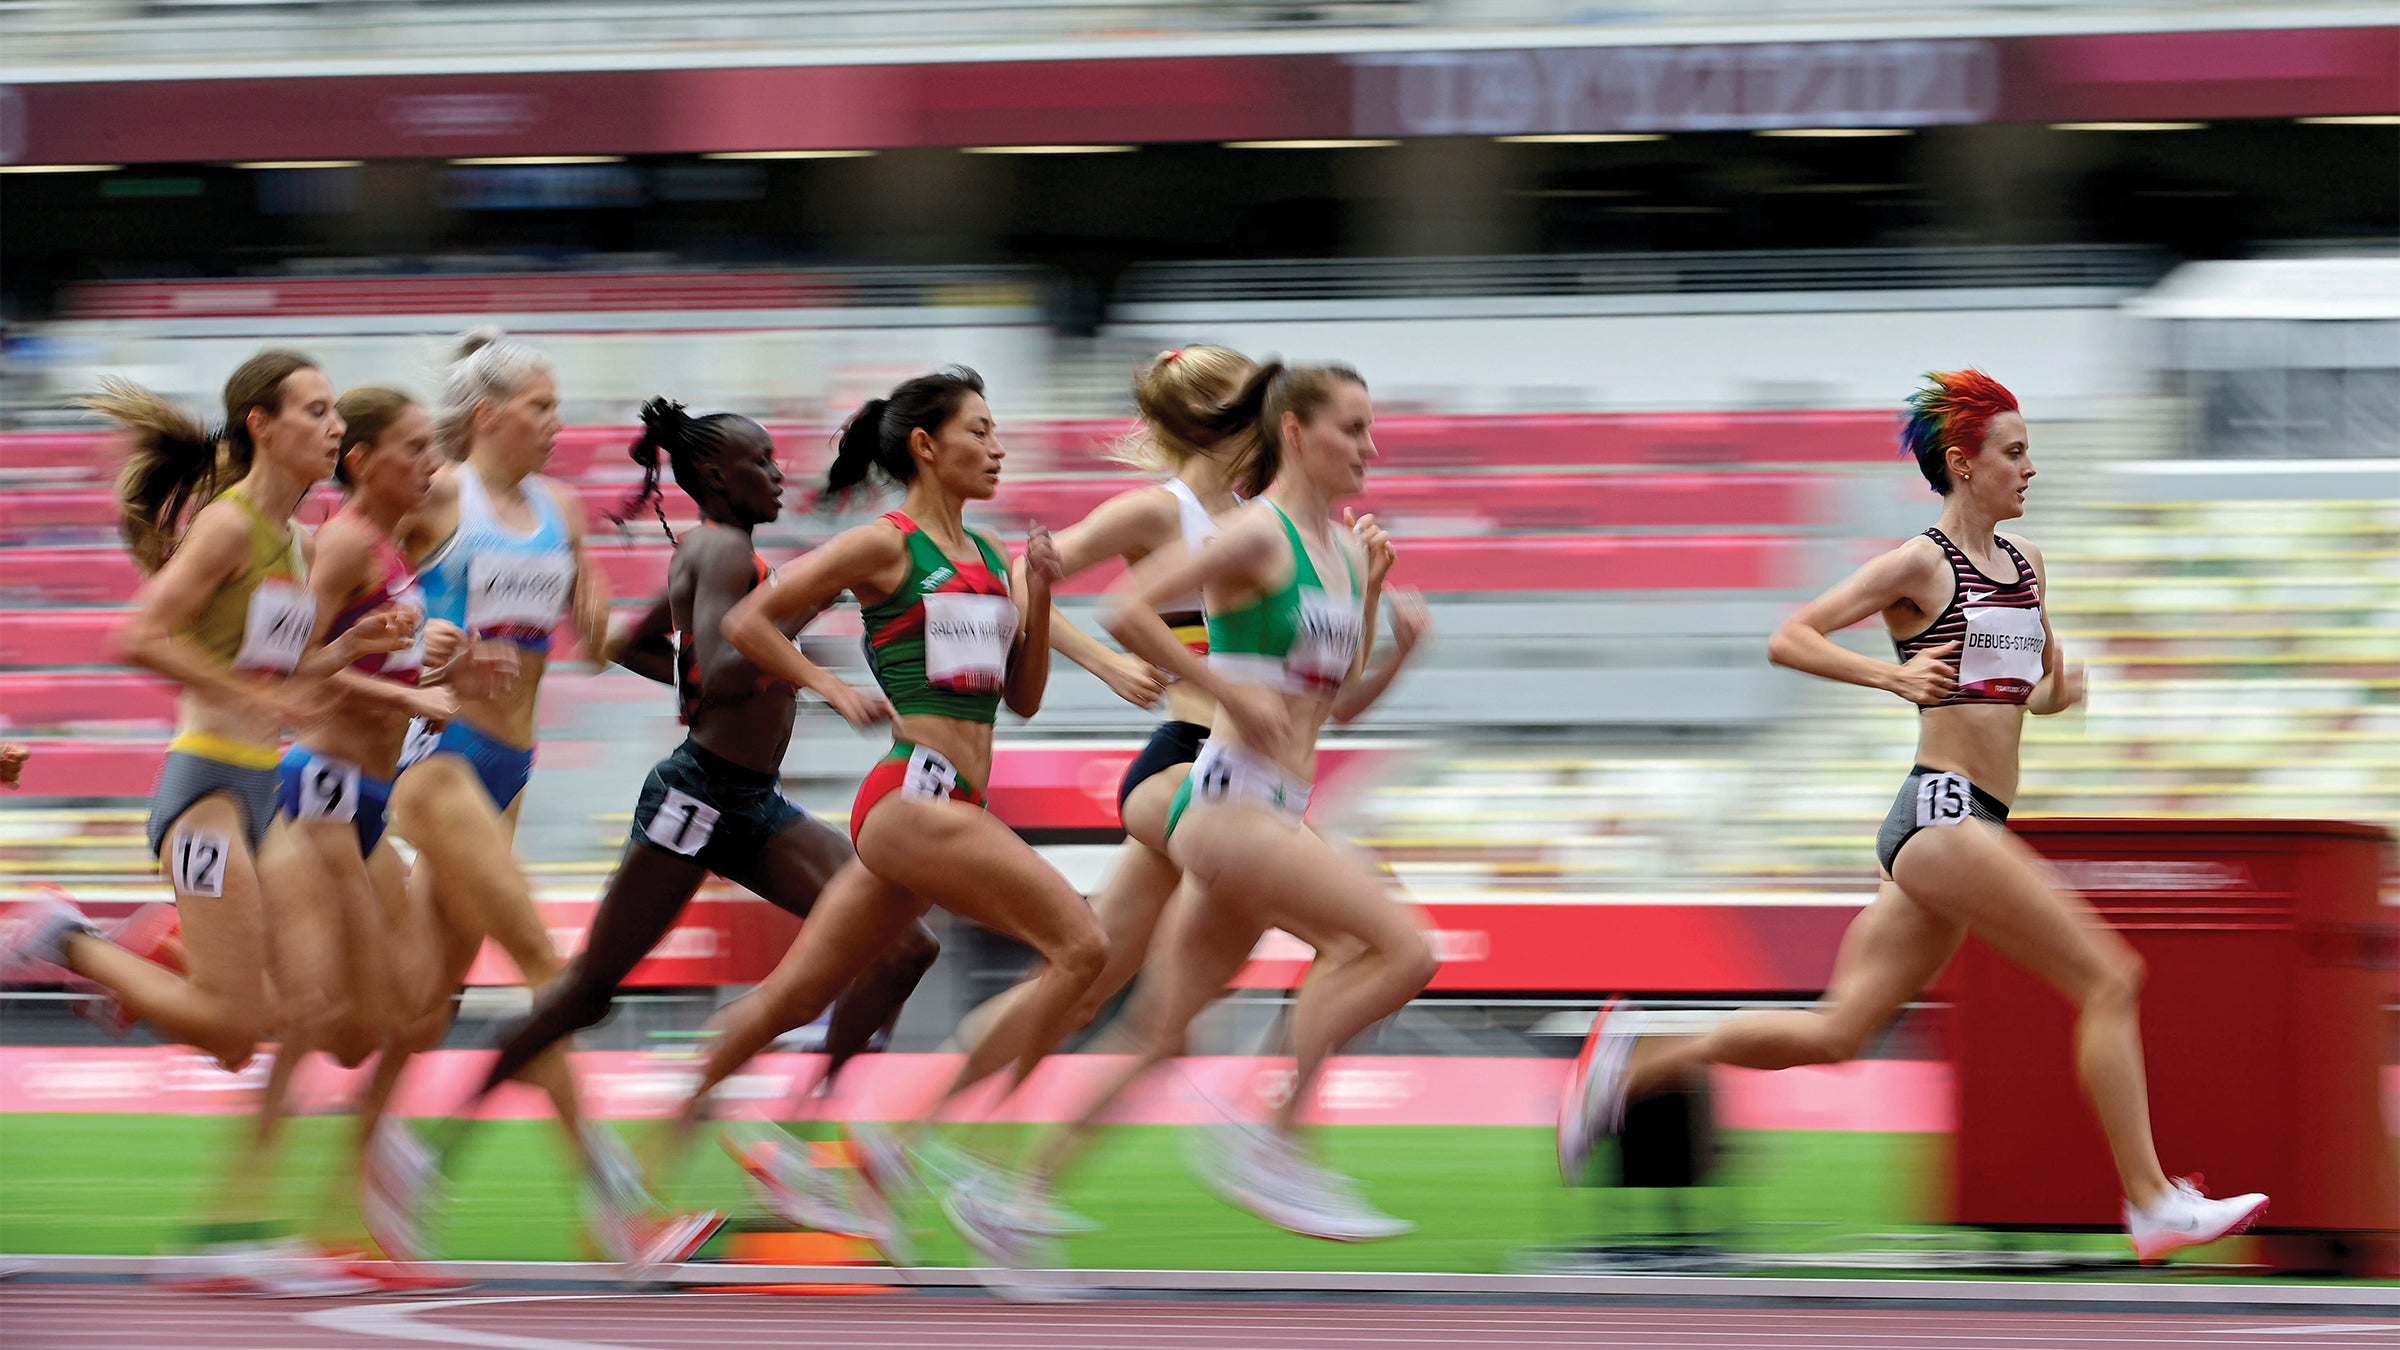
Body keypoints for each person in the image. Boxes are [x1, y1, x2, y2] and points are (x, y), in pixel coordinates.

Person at [1556, 369, 2269, 1264]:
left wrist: (2061, 690)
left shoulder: (2030, 565)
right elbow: (1793, 637)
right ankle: (2152, 1201)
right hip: (1940, 815)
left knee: (1838, 1032)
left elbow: (2026, 692)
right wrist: (1890, 675)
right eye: (2014, 453)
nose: (2030, 468)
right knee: (2110, 977)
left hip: (1971, 822)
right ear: (1965, 465)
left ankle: (1633, 1059)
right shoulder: (1920, 563)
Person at [962, 362, 1437, 1261]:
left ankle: (1011, 1195)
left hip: (1271, 807)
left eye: (1374, 430)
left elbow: (1333, 708)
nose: (1371, 449)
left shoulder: (1334, 550)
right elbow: (1126, 607)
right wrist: (1220, 688)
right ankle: (1275, 1137)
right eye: (1354, 428)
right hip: (1230, 807)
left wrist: (1387, 623)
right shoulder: (1256, 533)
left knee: (1157, 1033)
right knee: (1397, 948)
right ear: (1295, 433)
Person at [459, 398, 939, 1252]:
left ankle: (804, 1129)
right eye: (763, 458)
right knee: (586, 992)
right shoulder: (720, 548)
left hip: (750, 799)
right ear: (718, 476)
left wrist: (732, 652)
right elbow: (721, 664)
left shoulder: (725, 556)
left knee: (904, 941)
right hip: (698, 798)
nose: (779, 470)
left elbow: (638, 647)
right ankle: (429, 1150)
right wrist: (793, 623)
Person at [646, 366, 1105, 1232]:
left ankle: (645, 1169)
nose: (998, 447)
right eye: (980, 430)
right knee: (1083, 946)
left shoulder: (989, 556)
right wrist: (829, 684)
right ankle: (942, 1151)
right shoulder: (884, 545)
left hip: (949, 809)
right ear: (927, 446)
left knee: (789, 997)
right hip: (907, 800)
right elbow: (748, 624)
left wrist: (1037, 595)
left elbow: (1025, 697)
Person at [0, 351, 406, 1294]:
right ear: (262, 424)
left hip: (261, 792)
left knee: (269, 1027)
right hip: (205, 795)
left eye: (338, 410)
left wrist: (357, 647)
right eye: (316, 410)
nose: (335, 425)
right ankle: (62, 937)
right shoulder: (228, 528)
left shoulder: (296, 539)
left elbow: (287, 677)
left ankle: (237, 1236)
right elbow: (137, 634)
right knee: (241, 1017)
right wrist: (244, 697)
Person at [384, 332, 707, 1270]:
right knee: (545, 967)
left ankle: (388, 1167)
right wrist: (425, 637)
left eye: (558, 407)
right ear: (490, 417)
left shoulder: (561, 509)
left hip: (513, 769)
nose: (558, 423)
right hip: (439, 757)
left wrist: (659, 606)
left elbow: (597, 633)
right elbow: (359, 582)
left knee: (414, 1002)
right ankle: (616, 1205)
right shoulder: (443, 496)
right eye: (541, 407)